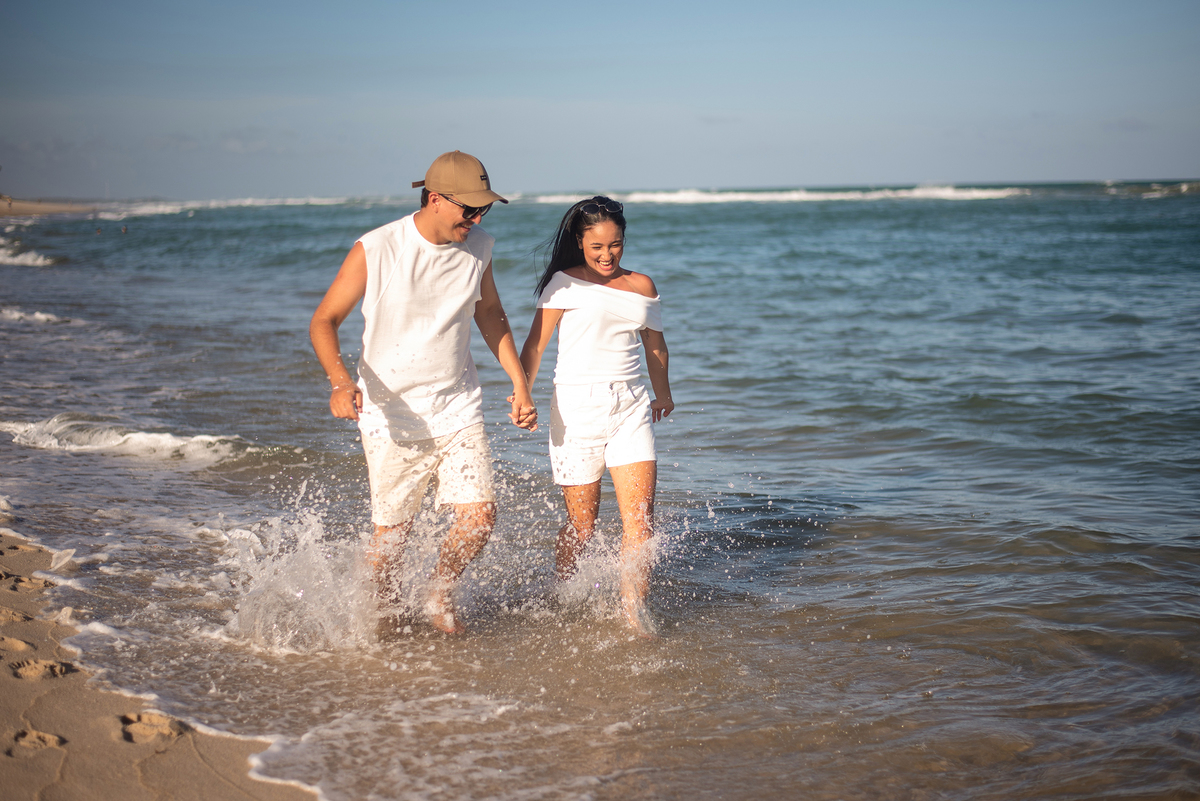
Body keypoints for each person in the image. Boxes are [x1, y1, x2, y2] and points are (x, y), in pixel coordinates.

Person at [310, 151, 537, 634]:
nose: (477, 220)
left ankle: (439, 590)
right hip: (391, 412)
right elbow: (324, 319)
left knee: (479, 517)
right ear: (435, 199)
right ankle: (381, 618)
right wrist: (340, 382)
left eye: (484, 210)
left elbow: (489, 312)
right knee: (392, 538)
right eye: (469, 209)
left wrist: (519, 383)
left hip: (457, 403)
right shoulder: (378, 248)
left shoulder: (479, 247)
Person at [518, 196, 673, 635]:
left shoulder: (642, 285)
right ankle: (563, 591)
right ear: (579, 243)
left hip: (631, 406)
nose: (607, 255)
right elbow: (535, 345)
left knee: (640, 520)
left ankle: (633, 610)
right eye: (597, 247)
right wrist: (521, 394)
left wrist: (662, 393)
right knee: (582, 525)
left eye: (615, 245)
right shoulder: (562, 284)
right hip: (576, 409)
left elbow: (655, 345)